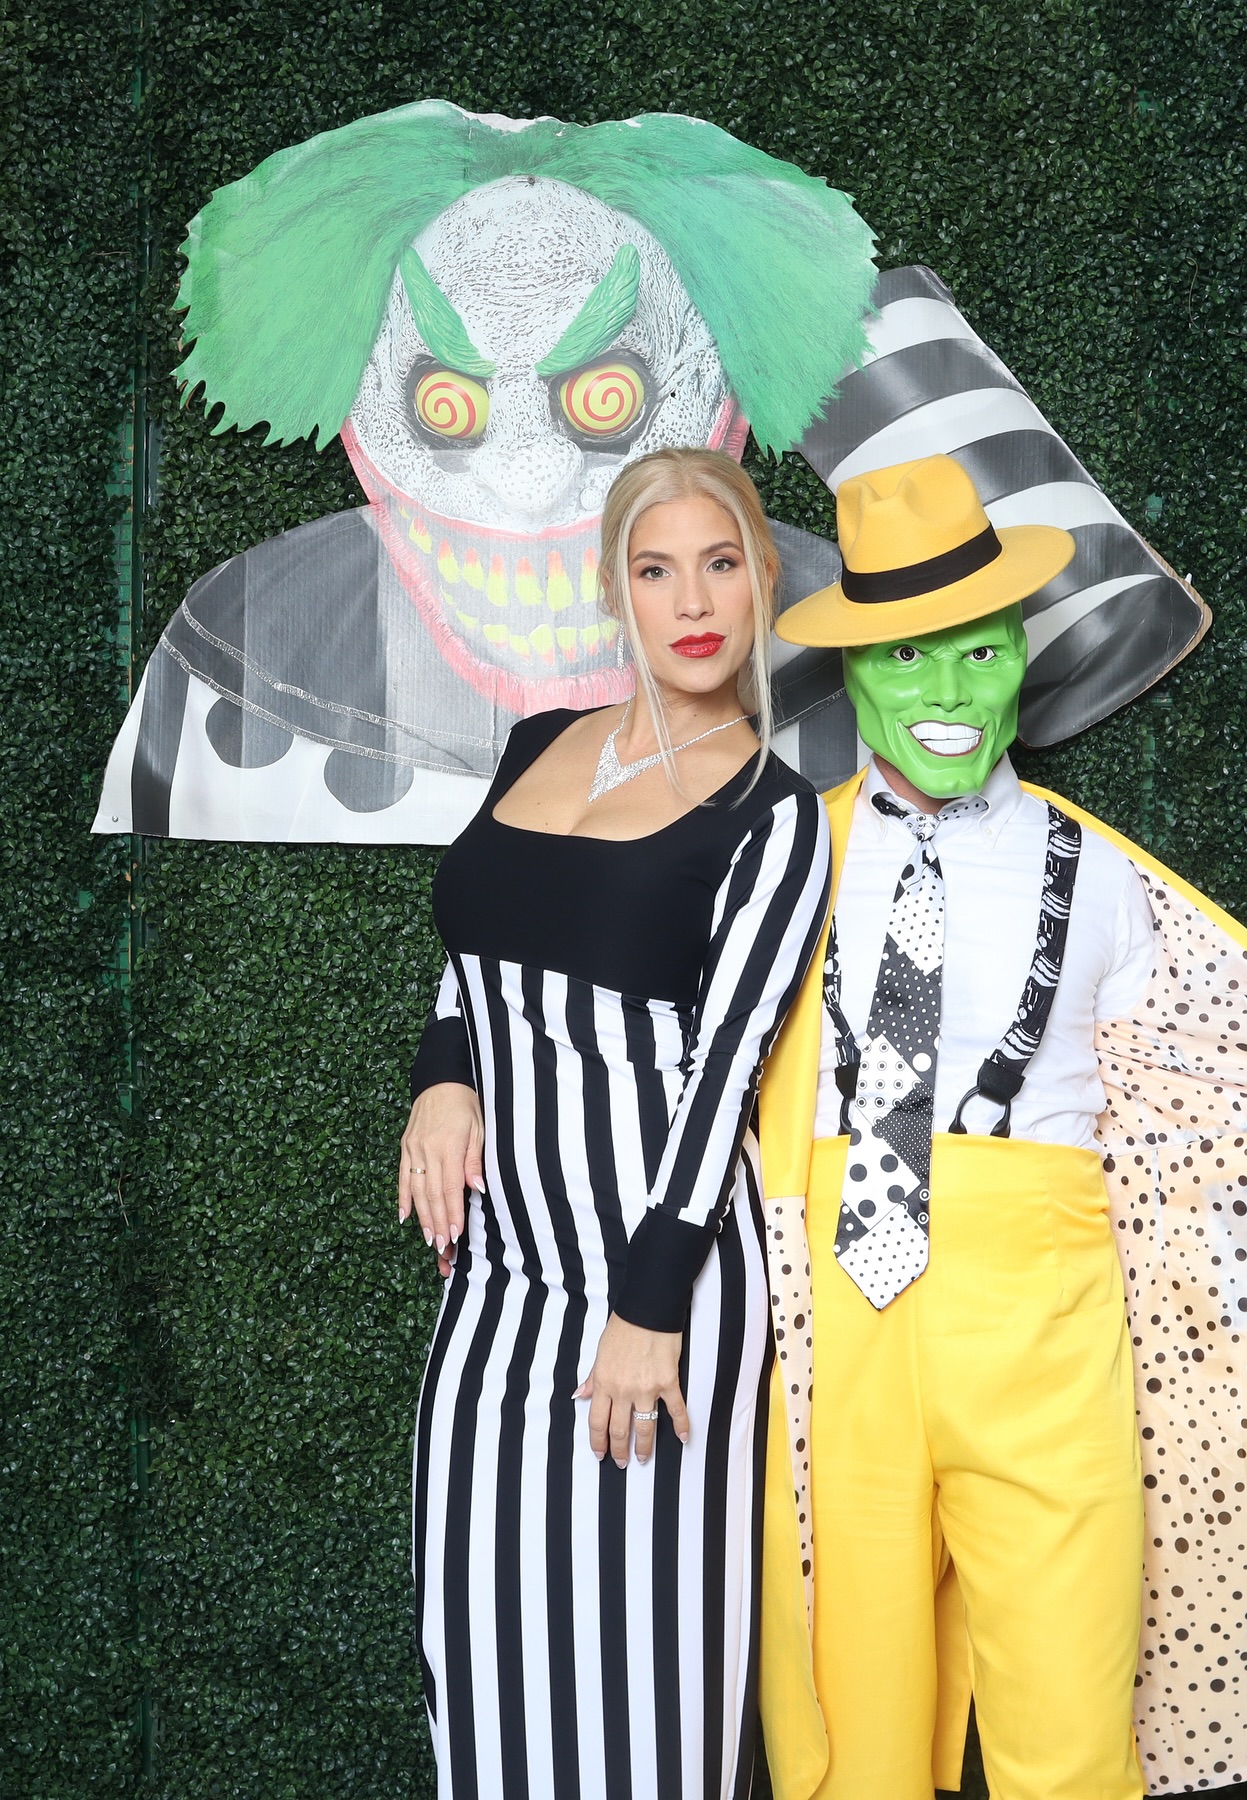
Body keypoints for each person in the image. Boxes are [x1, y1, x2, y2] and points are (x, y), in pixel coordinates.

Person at [754, 454, 1247, 1800]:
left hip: (1045, 1321)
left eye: (975, 654)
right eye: (906, 661)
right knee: (854, 1716)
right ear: (855, 678)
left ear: (1018, 654)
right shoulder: (780, 856)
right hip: (834, 1315)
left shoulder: (1108, 877)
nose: (946, 698)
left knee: (1069, 1715)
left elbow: (1214, 1093)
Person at [397, 446, 830, 1799]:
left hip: (663, 1288)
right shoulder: (537, 743)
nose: (691, 599)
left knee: (643, 1678)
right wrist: (440, 1072)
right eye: (656, 570)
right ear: (616, 592)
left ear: (762, 582)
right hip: (500, 1283)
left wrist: (649, 1313)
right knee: (478, 1650)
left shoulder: (774, 813)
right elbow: (471, 949)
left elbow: (720, 1079)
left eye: (720, 564)